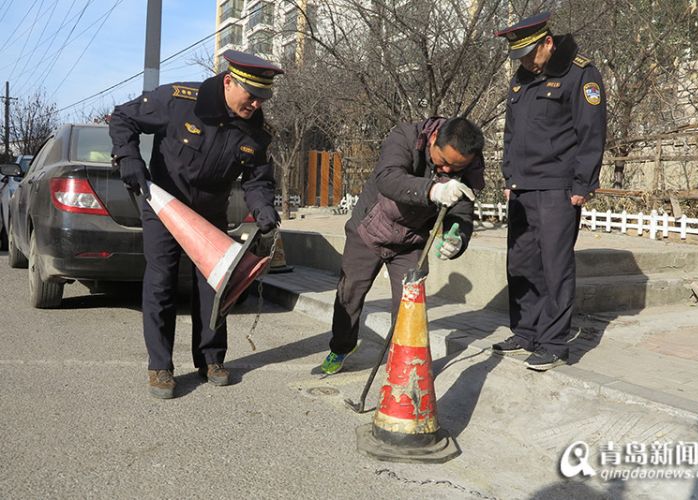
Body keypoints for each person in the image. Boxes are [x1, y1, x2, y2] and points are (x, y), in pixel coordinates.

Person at [109, 50, 283, 398]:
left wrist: (264, 210)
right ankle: (160, 366)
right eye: (251, 96)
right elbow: (122, 118)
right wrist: (129, 157)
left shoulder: (257, 131)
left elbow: (257, 180)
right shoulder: (178, 100)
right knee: (161, 280)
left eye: (263, 98)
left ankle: (211, 359)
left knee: (214, 285)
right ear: (229, 82)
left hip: (210, 212)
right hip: (165, 205)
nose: (256, 105)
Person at [320, 117, 486, 375]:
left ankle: (403, 363)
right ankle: (341, 347)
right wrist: (432, 190)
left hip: (412, 241)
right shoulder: (406, 137)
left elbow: (462, 214)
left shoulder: (469, 166)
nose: (448, 172)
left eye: (456, 168)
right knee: (350, 293)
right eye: (443, 162)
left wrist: (458, 239)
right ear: (433, 140)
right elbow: (388, 178)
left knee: (410, 304)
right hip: (369, 229)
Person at [492, 12, 607, 371]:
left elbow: (592, 132)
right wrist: (509, 177)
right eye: (519, 55)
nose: (524, 61)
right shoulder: (521, 79)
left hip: (558, 188)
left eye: (529, 53)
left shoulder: (579, 73)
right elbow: (511, 135)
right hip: (522, 188)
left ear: (547, 42)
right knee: (521, 263)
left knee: (554, 266)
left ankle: (554, 343)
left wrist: (582, 184)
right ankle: (526, 331)